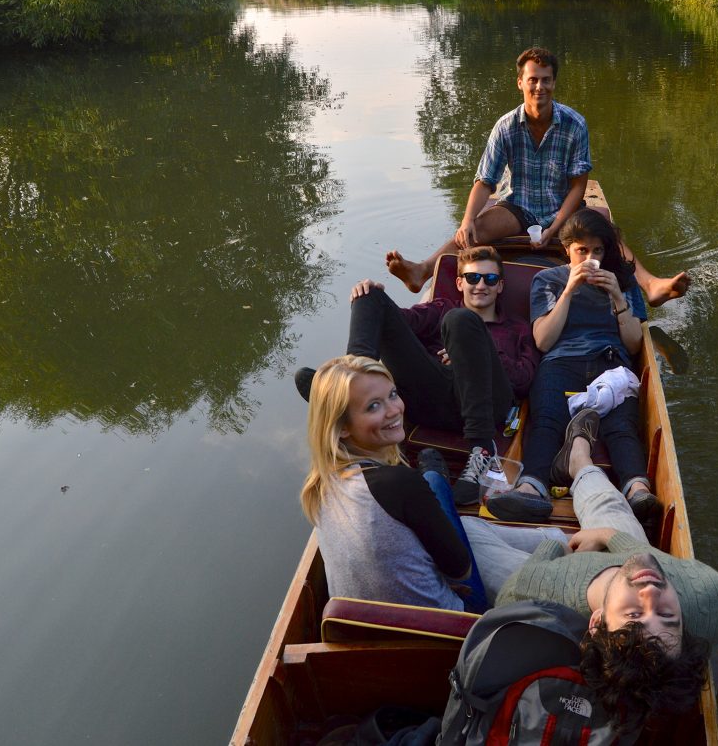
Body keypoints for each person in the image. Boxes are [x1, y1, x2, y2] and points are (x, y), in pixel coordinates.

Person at [461, 410, 718, 732]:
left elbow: (515, 589)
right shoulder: (705, 594)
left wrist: (559, 547)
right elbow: (646, 561)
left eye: (633, 615)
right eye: (668, 616)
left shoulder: (535, 590)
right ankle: (578, 459)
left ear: (597, 620)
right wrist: (603, 536)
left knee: (464, 531)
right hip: (620, 556)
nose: (651, 592)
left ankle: (552, 533)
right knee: (608, 507)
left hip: (556, 565)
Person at [385, 46, 690, 306]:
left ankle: (650, 286)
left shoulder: (574, 124)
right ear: (520, 82)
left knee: (608, 234)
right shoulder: (505, 126)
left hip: (564, 209)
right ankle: (422, 271)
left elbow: (578, 186)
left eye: (546, 81)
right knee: (474, 230)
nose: (539, 88)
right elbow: (485, 182)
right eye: (533, 80)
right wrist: (466, 221)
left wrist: (555, 227)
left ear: (554, 83)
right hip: (518, 207)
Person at [295, 246, 539, 505]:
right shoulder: (440, 309)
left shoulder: (518, 328)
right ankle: (347, 391)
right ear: (459, 282)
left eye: (490, 279)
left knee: (461, 321)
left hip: (487, 409)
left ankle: (482, 452)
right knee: (371, 297)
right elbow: (394, 323)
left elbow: (524, 379)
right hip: (430, 402)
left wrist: (471, 354)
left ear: (500, 286)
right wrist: (372, 296)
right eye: (472, 278)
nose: (481, 285)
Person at [485, 208, 658, 525]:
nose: (590, 257)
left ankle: (637, 491)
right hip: (561, 360)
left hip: (611, 361)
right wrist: (569, 290)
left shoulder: (624, 281)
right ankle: (531, 488)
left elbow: (634, 345)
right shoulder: (548, 280)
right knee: (547, 420)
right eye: (582, 250)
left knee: (621, 426)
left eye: (597, 250)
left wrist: (618, 296)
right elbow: (543, 341)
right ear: (567, 249)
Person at [299, 355, 486, 612]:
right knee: (432, 482)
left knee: (428, 493)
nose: (394, 410)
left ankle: (434, 477)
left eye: (393, 395)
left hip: (360, 635)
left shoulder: (318, 486)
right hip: (450, 629)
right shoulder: (399, 484)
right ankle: (437, 475)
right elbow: (461, 571)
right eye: (373, 406)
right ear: (341, 427)